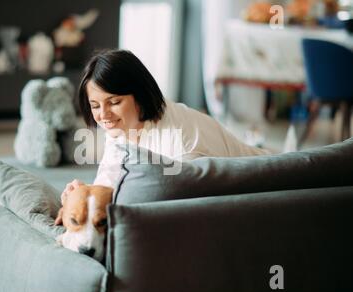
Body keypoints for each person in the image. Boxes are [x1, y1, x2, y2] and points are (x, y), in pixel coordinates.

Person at [60, 49, 270, 205]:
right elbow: (110, 181)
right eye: (95, 105)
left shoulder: (180, 141)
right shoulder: (122, 127)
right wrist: (86, 193)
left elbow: (179, 205)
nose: (103, 115)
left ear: (139, 96)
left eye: (114, 102)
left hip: (269, 184)